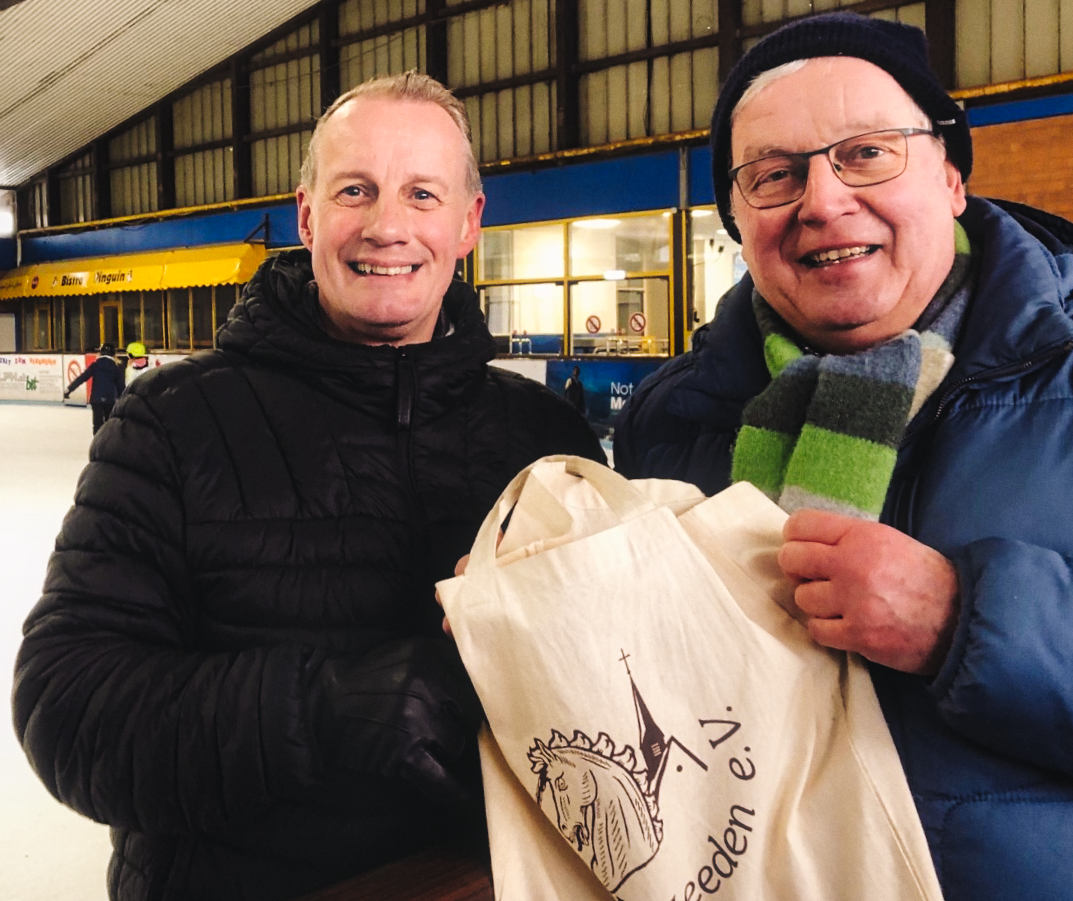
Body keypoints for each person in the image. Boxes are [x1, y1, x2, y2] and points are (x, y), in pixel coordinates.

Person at [14, 72, 603, 901]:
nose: (387, 225)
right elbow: (68, 708)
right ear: (306, 215)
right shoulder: (173, 423)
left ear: (468, 222)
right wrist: (317, 709)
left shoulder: (544, 437)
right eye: (354, 190)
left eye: (422, 193)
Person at [614, 13, 1073, 900]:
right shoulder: (673, 419)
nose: (822, 201)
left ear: (949, 175)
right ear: (738, 220)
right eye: (774, 175)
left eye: (865, 153)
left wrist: (961, 622)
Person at [64, 341, 126, 433]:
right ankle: (108, 440)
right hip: (109, 400)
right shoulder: (116, 368)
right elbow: (121, 386)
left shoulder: (95, 365)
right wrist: (124, 400)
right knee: (109, 424)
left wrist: (69, 389)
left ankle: (97, 440)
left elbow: (82, 378)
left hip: (96, 399)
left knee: (97, 424)